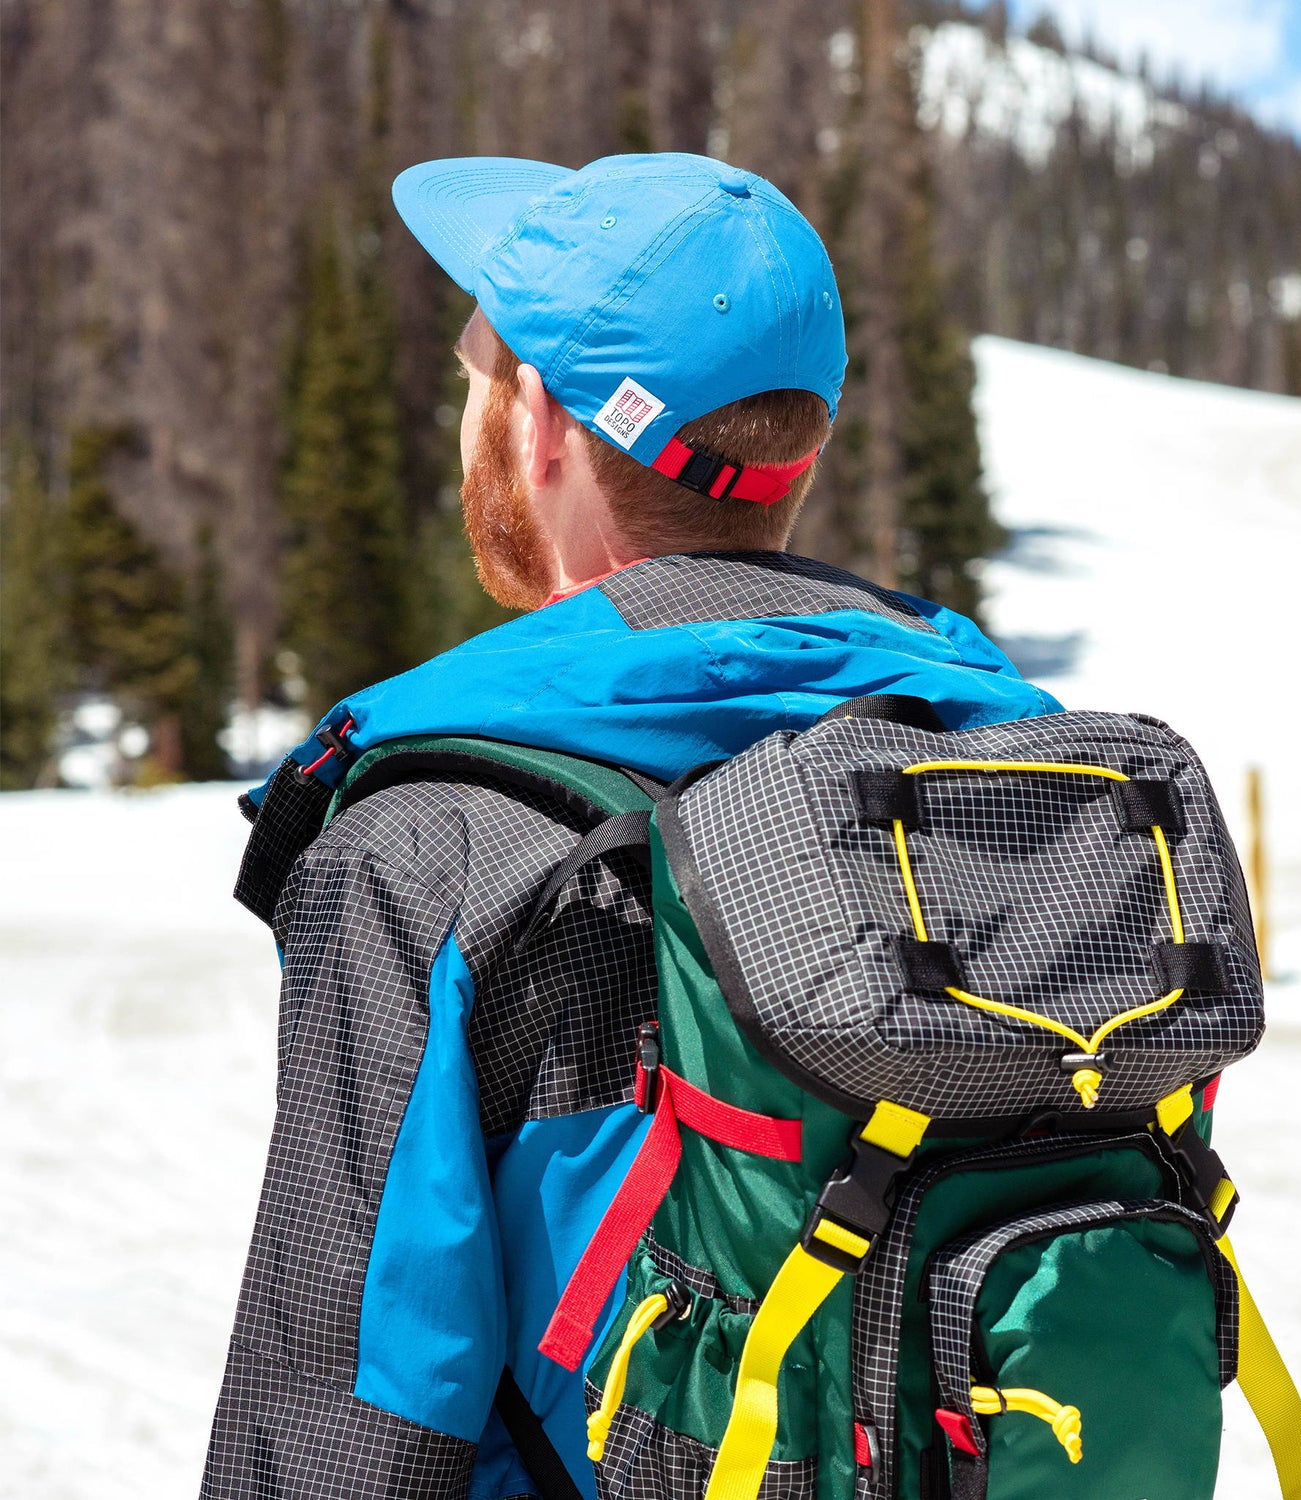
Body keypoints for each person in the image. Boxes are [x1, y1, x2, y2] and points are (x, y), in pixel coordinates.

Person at [201, 151, 1059, 1500]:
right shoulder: (1007, 774)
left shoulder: (432, 842)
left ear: (541, 423)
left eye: (477, 375)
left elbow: (344, 1419)